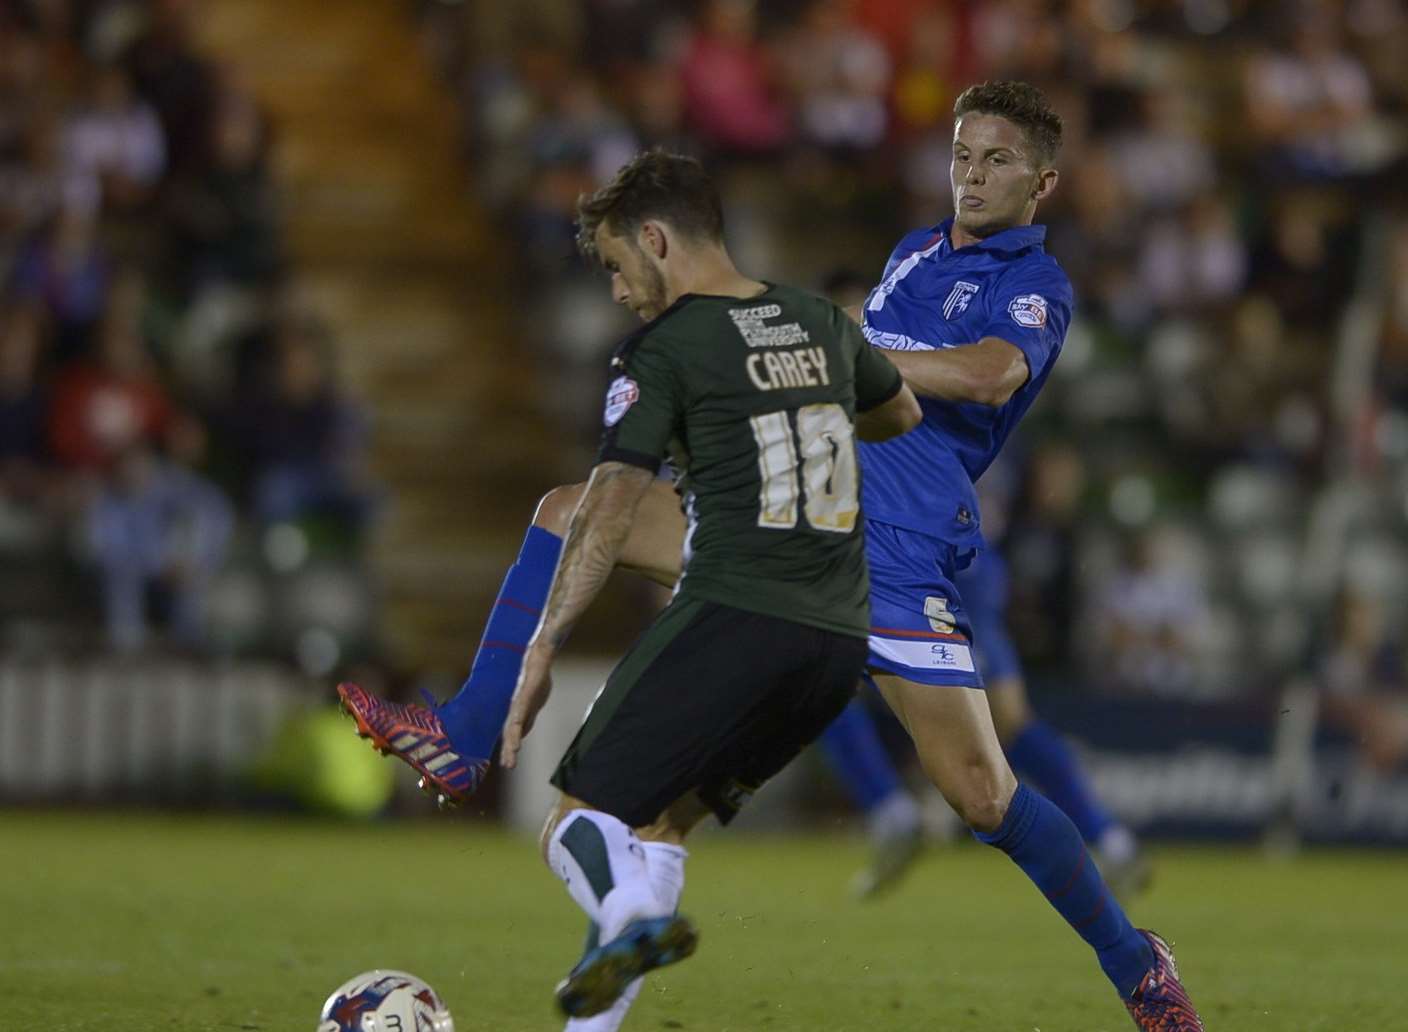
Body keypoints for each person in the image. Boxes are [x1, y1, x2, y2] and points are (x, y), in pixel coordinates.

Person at [342, 83, 1204, 1031]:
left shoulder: (1034, 285)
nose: (971, 174)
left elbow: (990, 375)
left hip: (902, 542)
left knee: (982, 794)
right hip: (802, 507)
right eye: (962, 154)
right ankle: (467, 736)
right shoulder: (913, 252)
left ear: (1041, 181)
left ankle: (1135, 963)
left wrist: (844, 347)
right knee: (572, 515)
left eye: (996, 160)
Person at [340, 149, 922, 1020]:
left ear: (656, 239)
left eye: (616, 265)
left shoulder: (668, 344)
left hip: (740, 611)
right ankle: (603, 945)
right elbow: (901, 411)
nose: (616, 290)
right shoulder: (817, 319)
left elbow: (612, 504)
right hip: (834, 642)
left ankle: (606, 901)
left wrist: (544, 647)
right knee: (656, 831)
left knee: (579, 824)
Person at [821, 545, 1151, 901]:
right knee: (826, 683)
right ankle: (891, 809)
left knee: (1008, 721)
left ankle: (892, 809)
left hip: (933, 559)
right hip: (917, 559)